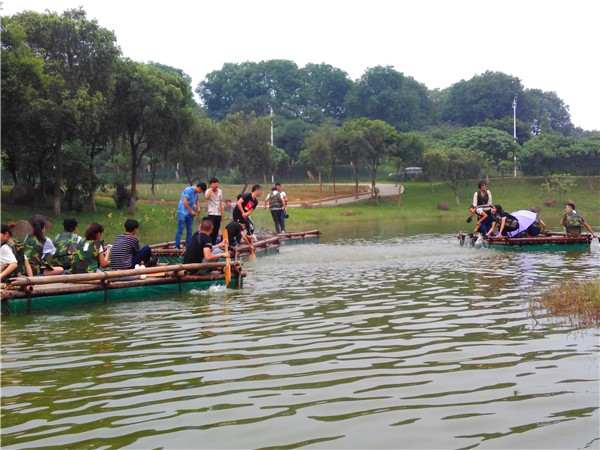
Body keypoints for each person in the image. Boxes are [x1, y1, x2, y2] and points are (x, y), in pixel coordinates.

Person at [175, 182, 206, 249]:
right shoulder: (188, 190)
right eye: (201, 191)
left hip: (189, 214)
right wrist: (191, 211)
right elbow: (185, 202)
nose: (200, 192)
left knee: (190, 230)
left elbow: (197, 200)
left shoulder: (196, 193)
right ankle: (177, 246)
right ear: (199, 188)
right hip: (182, 212)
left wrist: (198, 207)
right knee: (180, 229)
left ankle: (188, 246)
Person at [205, 177, 223, 244]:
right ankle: (209, 243)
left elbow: (220, 201)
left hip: (218, 214)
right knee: (211, 230)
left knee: (216, 230)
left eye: (216, 183)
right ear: (211, 184)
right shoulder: (208, 191)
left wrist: (222, 207)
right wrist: (211, 189)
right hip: (211, 213)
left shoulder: (220, 191)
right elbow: (206, 197)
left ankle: (213, 244)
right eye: (214, 183)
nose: (216, 184)